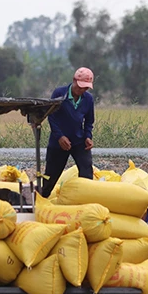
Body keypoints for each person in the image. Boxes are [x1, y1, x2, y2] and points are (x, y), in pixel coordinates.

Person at [40, 67, 95, 198]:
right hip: (58, 142)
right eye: (80, 87)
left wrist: (88, 136)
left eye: (86, 88)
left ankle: (85, 200)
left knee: (86, 172)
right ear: (74, 81)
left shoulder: (88, 99)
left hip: (79, 141)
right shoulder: (60, 93)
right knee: (51, 176)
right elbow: (51, 117)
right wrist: (60, 137)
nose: (82, 90)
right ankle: (41, 199)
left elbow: (89, 122)